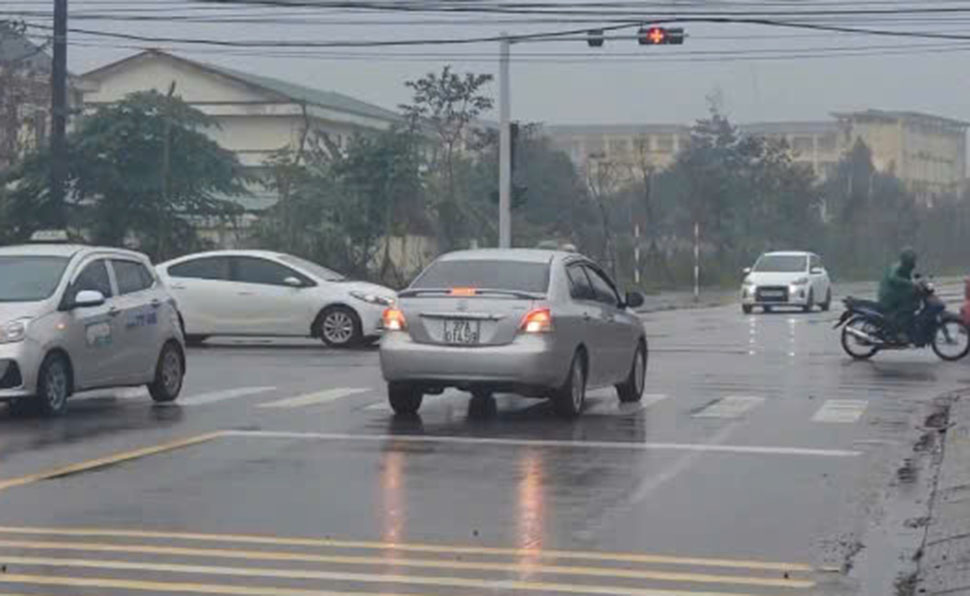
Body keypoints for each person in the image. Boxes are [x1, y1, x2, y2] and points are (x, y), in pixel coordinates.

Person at [877, 247, 920, 342]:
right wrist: (910, 283)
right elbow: (893, 277)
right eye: (912, 259)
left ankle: (907, 328)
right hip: (889, 295)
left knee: (911, 300)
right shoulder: (898, 267)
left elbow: (908, 278)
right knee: (908, 307)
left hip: (895, 292)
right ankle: (899, 330)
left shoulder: (906, 267)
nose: (913, 261)